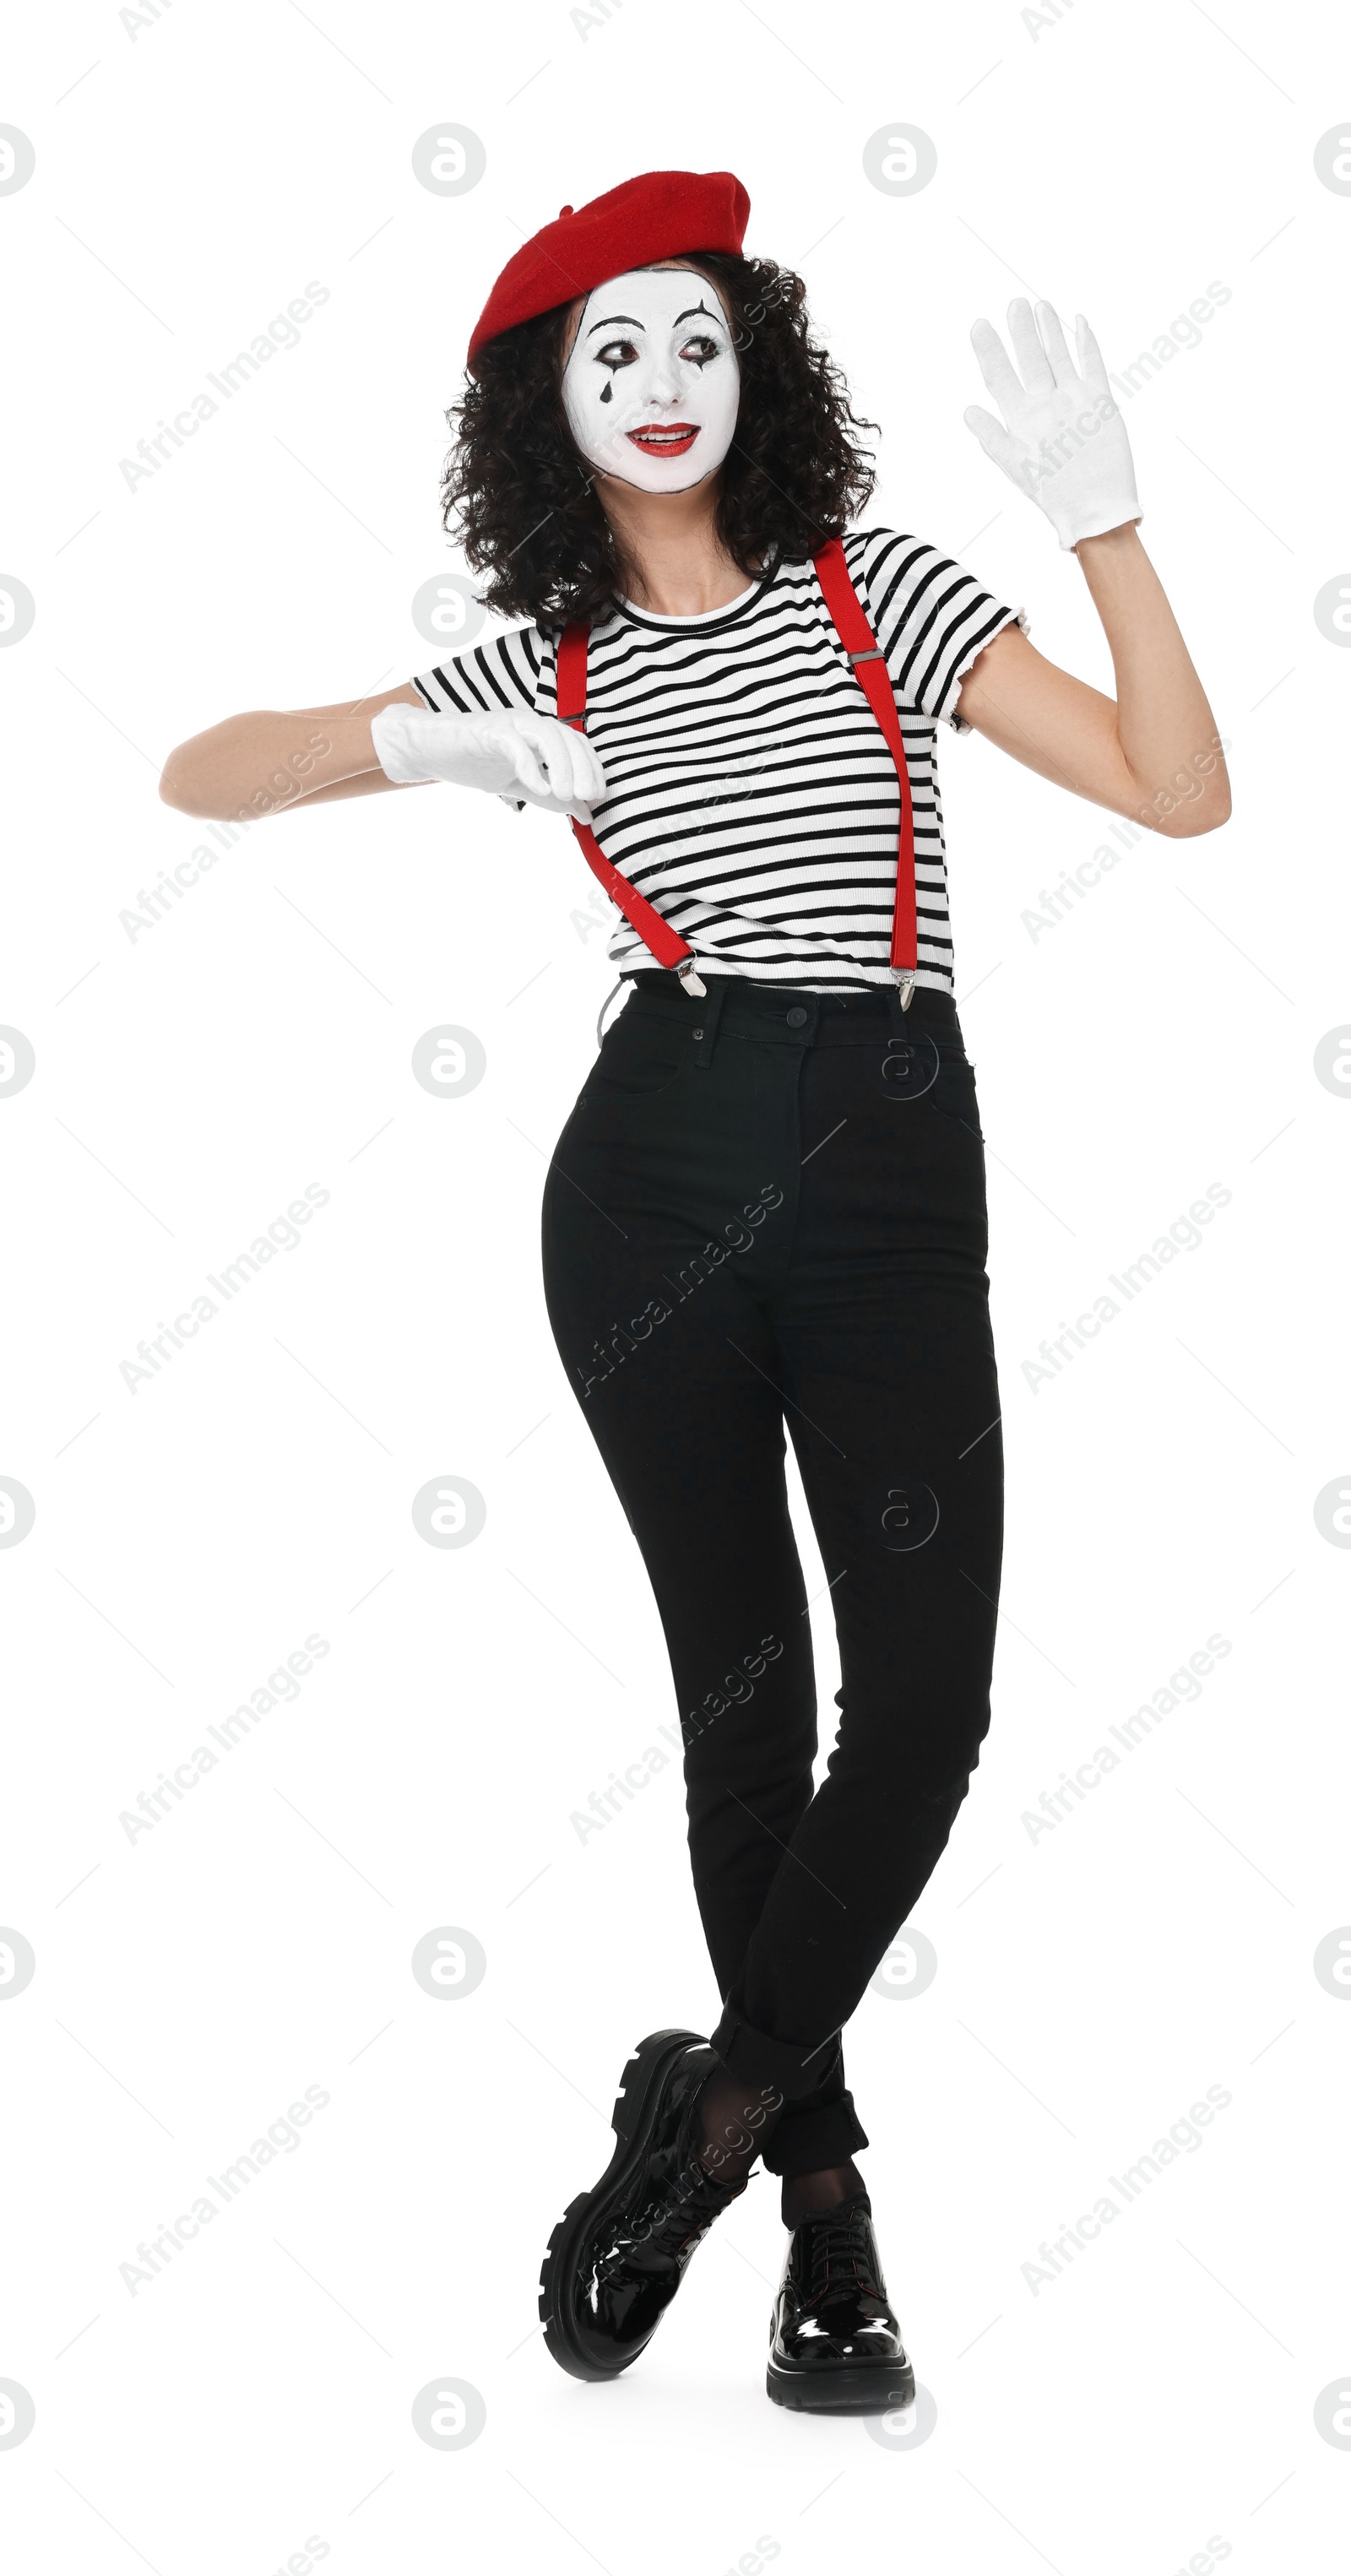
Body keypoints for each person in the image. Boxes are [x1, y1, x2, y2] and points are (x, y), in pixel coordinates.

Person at [160, 167, 1230, 2414]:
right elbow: (206, 769)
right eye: (610, 348)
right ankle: (831, 2230)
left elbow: (1178, 790)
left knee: (920, 1710)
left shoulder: (881, 589)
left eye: (696, 339)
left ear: (758, 375)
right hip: (646, 1167)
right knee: (747, 1701)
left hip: (883, 1155)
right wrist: (432, 744)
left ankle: (704, 2134)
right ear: (551, 403)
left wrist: (1107, 528)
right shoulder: (536, 655)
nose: (661, 380)